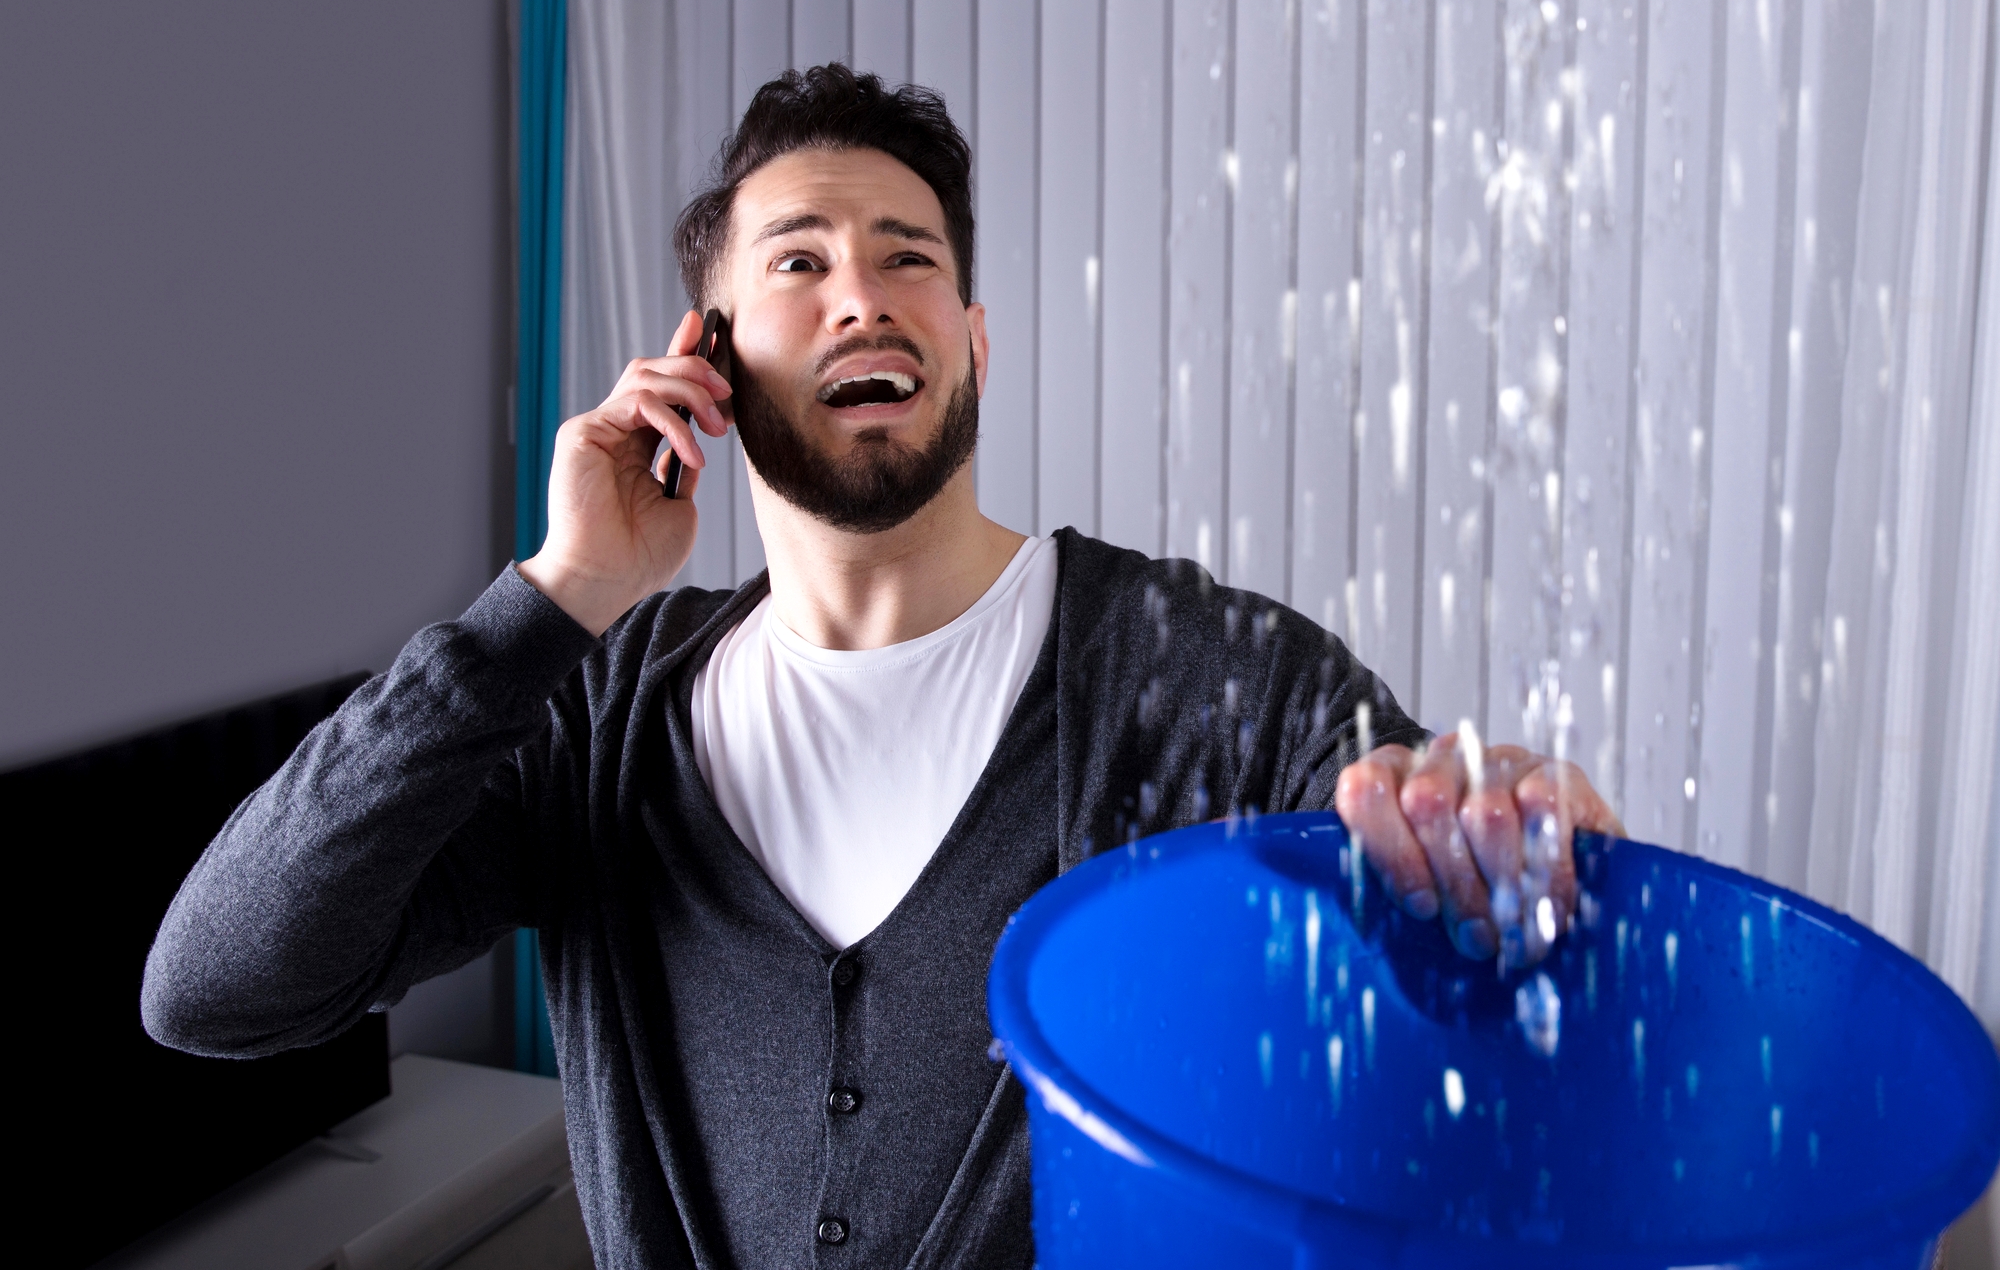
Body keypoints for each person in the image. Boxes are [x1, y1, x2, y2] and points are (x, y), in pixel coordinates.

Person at [143, 65, 1620, 1270]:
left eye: (908, 258)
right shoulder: (597, 714)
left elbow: (1479, 935)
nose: (864, 296)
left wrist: (1502, 841)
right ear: (703, 362)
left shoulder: (1202, 667)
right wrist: (554, 596)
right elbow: (217, 984)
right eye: (800, 263)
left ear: (969, 341)